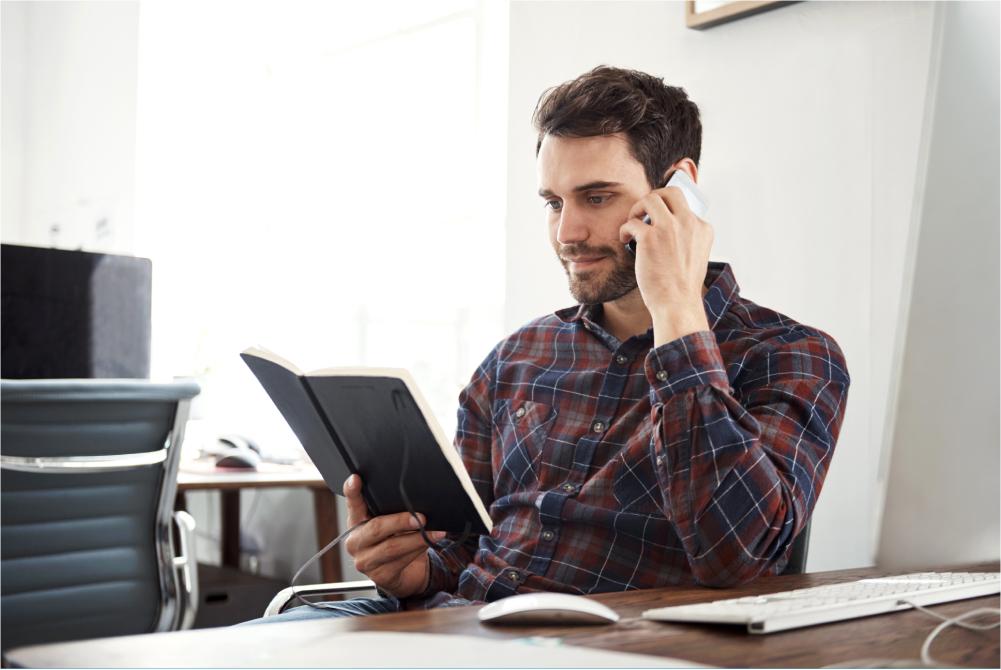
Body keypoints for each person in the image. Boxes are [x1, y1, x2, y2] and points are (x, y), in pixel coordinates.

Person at [254, 65, 850, 622]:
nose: (567, 233)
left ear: (679, 193)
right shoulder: (518, 356)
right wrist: (417, 570)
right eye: (552, 203)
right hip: (459, 622)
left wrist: (676, 309)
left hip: (617, 645)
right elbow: (466, 546)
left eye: (596, 197)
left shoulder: (790, 356)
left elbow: (736, 555)